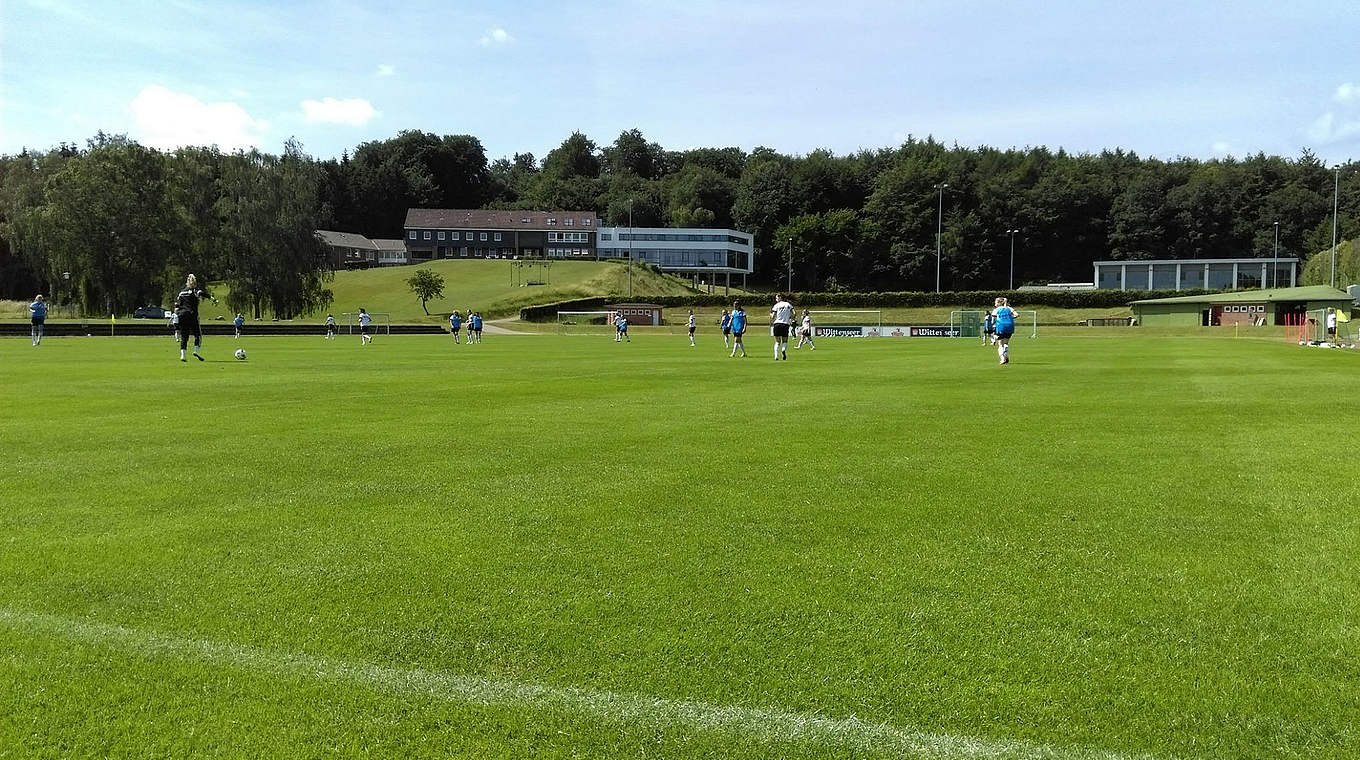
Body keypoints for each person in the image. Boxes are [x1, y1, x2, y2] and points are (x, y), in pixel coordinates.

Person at [174, 274, 217, 362]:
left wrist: (176, 317)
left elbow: (176, 306)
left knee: (184, 337)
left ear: (187, 283)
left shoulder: (181, 293)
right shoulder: (195, 291)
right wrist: (213, 299)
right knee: (198, 336)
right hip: (192, 315)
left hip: (182, 315)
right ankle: (195, 351)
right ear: (195, 283)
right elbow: (202, 293)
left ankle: (183, 355)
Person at [991, 297, 1018, 365]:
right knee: (1006, 343)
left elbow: (993, 321)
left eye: (996, 302)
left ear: (999, 303)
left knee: (1000, 344)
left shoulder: (996, 310)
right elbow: (1017, 315)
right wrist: (1009, 317)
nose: (995, 304)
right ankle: (1006, 355)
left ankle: (1002, 359)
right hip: (1010, 326)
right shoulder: (1009, 308)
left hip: (1001, 326)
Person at [770, 293, 794, 361]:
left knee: (777, 342)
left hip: (777, 324)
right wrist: (789, 317)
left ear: (780, 298)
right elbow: (794, 314)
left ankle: (776, 356)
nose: (776, 299)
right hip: (785, 324)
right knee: (785, 341)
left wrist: (770, 314)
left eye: (776, 298)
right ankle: (783, 350)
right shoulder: (788, 304)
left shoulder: (776, 305)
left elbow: (773, 317)